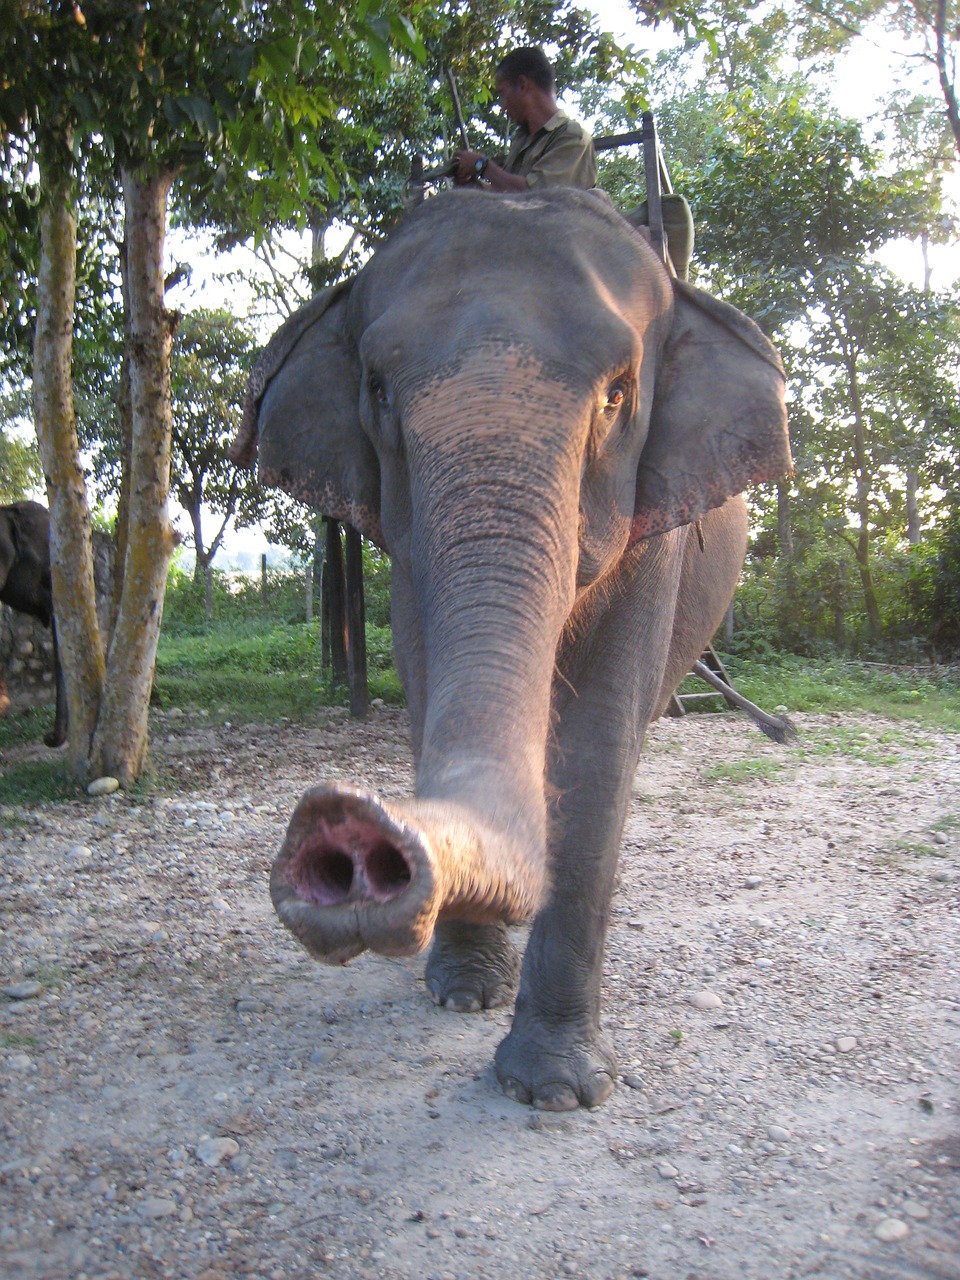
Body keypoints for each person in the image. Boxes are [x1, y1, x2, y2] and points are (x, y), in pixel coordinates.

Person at [453, 47, 596, 192]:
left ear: (522, 85)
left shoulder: (574, 138)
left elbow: (537, 195)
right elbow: (508, 195)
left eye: (503, 94)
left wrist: (482, 166)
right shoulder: (522, 139)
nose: (503, 107)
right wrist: (472, 185)